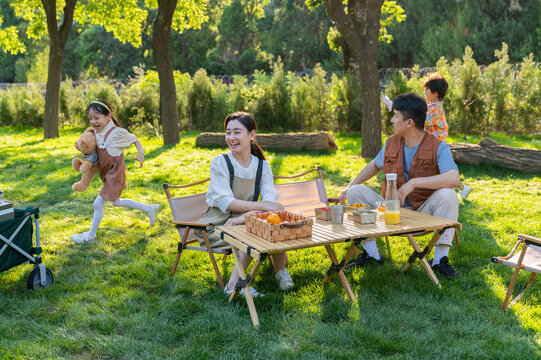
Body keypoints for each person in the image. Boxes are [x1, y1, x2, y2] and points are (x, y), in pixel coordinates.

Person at [339, 93, 460, 278]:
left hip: (422, 212)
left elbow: (453, 178)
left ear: (409, 122)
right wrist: (350, 185)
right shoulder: (391, 143)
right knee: (355, 192)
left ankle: (439, 260)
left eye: (395, 115)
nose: (391, 120)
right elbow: (374, 165)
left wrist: (415, 183)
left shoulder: (439, 147)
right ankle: (371, 254)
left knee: (449, 195)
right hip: (389, 210)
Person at [195, 111, 294, 297]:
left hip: (245, 220)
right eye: (228, 132)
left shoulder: (262, 166)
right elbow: (227, 202)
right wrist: (261, 208)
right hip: (216, 224)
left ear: (252, 135)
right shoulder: (220, 162)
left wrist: (249, 215)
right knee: (254, 233)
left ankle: (280, 272)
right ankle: (233, 286)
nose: (231, 137)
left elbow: (269, 198)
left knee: (275, 223)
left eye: (236, 132)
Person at [70, 100, 159, 243]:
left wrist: (141, 154)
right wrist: (87, 156)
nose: (93, 122)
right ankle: (149, 209)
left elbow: (134, 139)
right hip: (106, 173)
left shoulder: (116, 132)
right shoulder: (97, 133)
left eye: (96, 118)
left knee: (97, 204)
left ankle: (90, 236)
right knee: (117, 202)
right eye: (91, 118)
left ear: (108, 116)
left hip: (115, 174)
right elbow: (94, 150)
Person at [423, 73, 472, 200]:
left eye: (427, 90)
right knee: (442, 171)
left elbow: (424, 120)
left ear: (436, 92)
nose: (425, 93)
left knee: (443, 172)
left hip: (436, 146)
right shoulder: (431, 106)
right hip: (431, 145)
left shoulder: (436, 109)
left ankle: (457, 189)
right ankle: (462, 188)